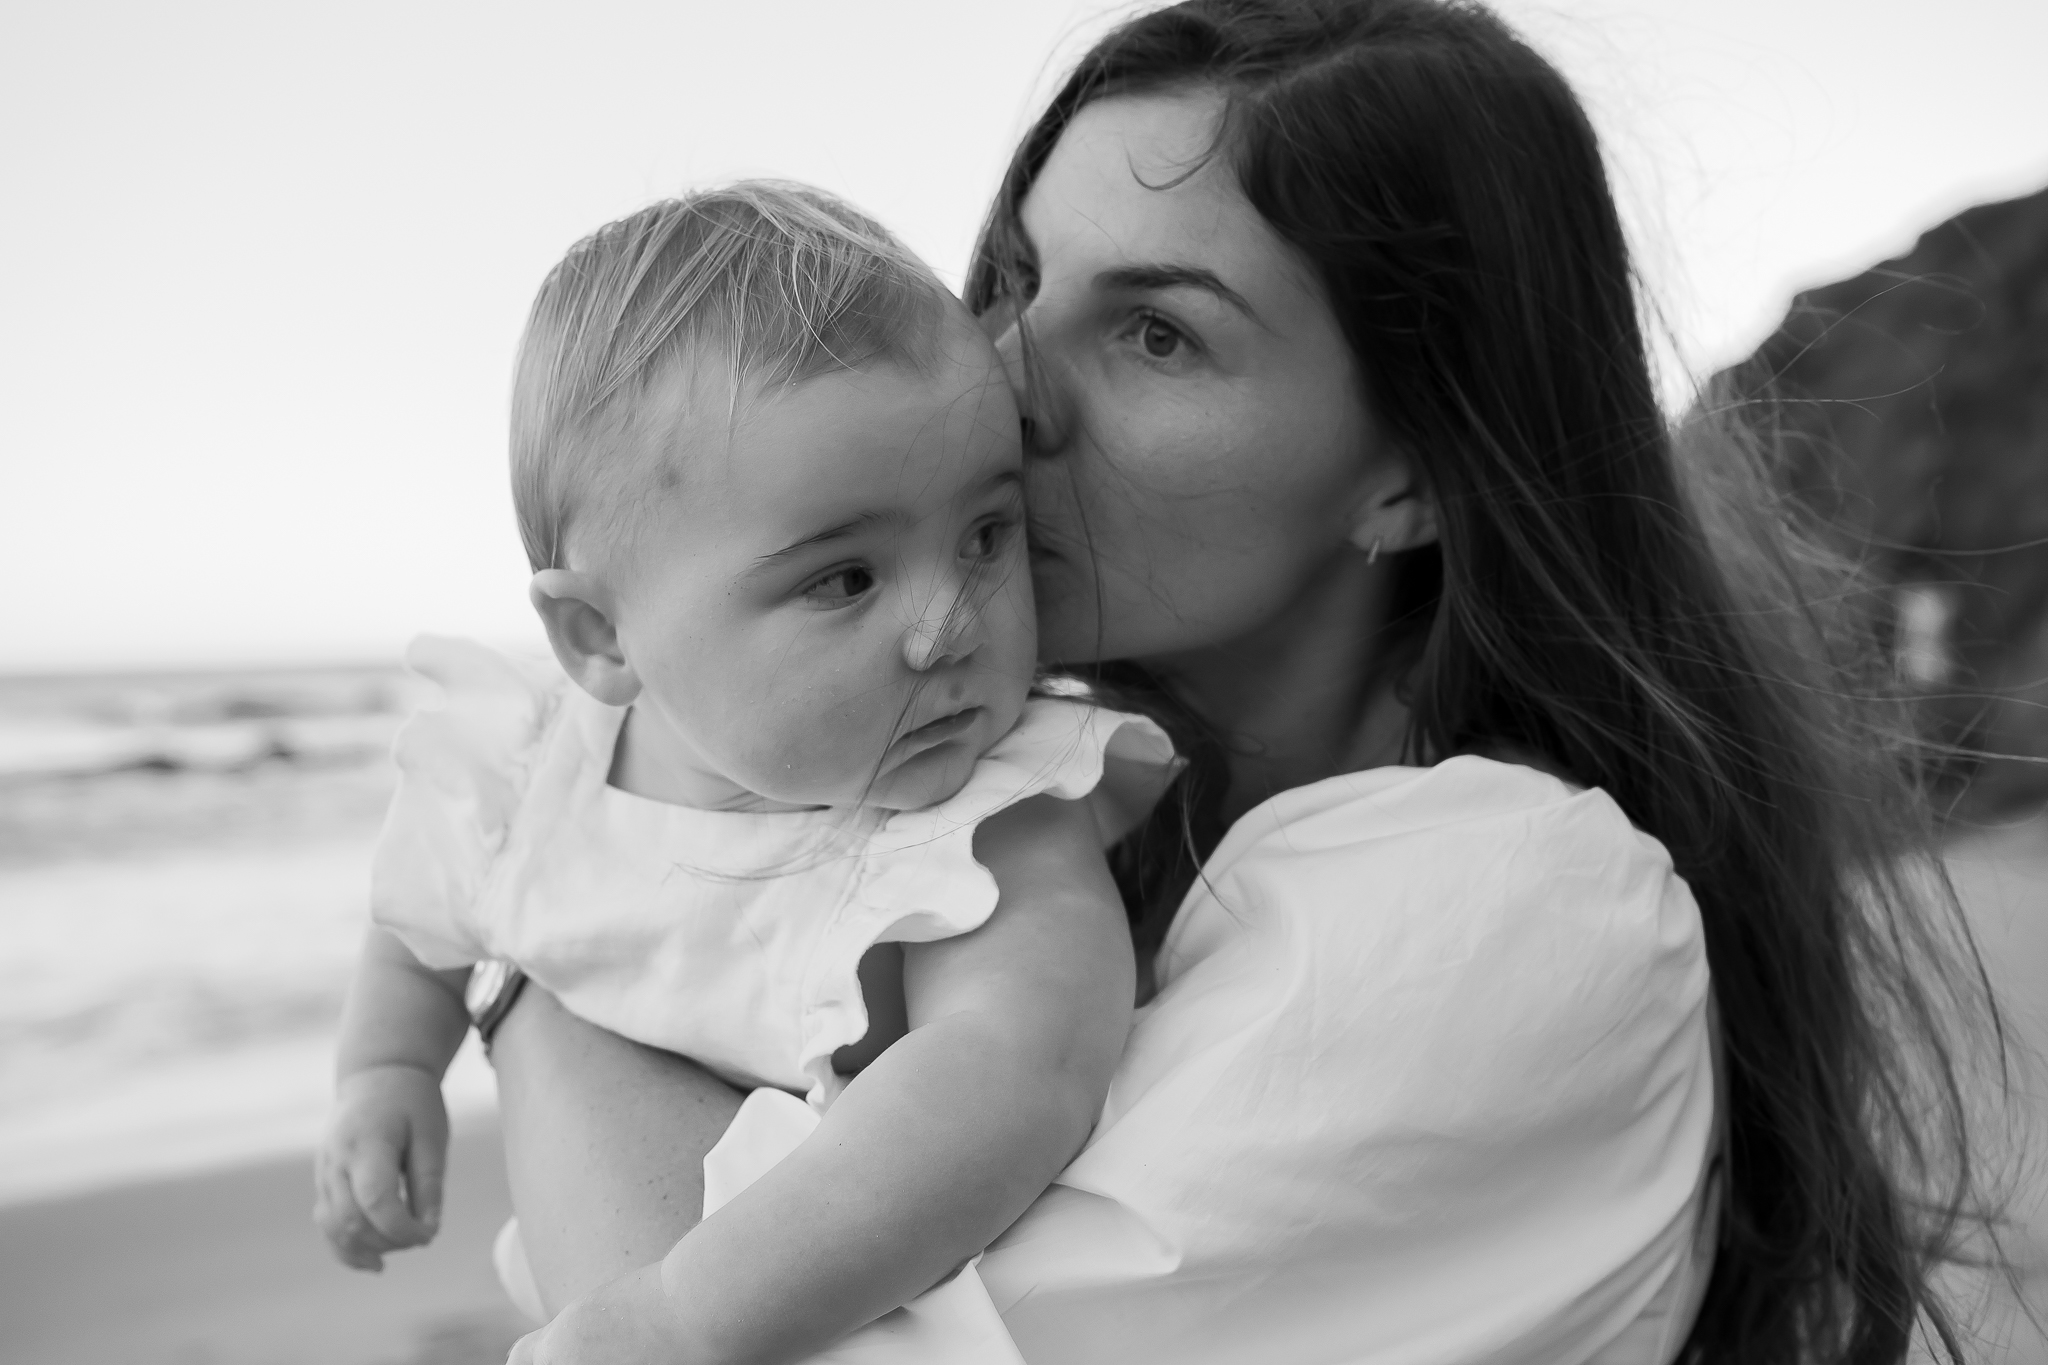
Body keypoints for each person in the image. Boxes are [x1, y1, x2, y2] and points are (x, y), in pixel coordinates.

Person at [483, 2, 1996, 1363]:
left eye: (1156, 332)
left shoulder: (1504, 896)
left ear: (1412, 475)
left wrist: (536, 978)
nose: (1003, 380)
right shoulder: (1056, 833)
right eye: (1018, 278)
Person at [311, 182, 1178, 1363]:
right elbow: (431, 910)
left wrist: (683, 1312)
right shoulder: (526, 772)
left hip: (817, 1277)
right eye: (844, 580)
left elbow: (1016, 1074)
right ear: (602, 639)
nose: (949, 626)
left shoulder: (989, 817)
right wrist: (386, 1069)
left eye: (985, 535)